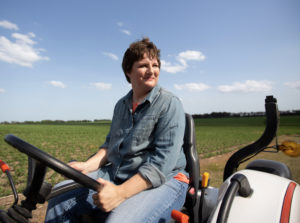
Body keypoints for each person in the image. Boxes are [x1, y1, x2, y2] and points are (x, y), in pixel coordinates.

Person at [45, 37, 189, 223]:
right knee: (59, 197)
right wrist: (87, 166)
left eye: (155, 65)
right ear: (128, 71)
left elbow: (161, 165)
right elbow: (109, 145)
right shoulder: (121, 105)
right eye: (144, 65)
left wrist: (120, 193)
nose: (152, 70)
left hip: (165, 180)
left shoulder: (170, 103)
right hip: (117, 173)